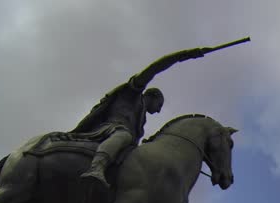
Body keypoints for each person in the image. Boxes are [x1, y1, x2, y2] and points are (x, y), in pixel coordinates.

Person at [72, 47, 206, 188]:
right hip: (111, 129)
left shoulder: (142, 119)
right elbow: (154, 68)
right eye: (159, 105)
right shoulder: (133, 94)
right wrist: (183, 55)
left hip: (125, 142)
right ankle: (96, 167)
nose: (159, 111)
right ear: (152, 96)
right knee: (124, 135)